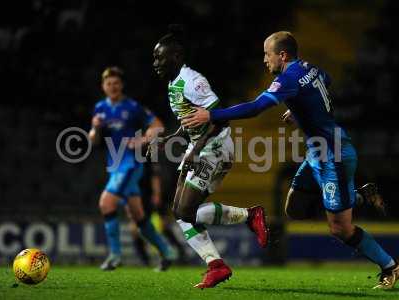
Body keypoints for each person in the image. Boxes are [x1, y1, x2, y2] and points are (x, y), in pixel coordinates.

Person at [181, 31, 398, 289]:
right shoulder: (309, 68)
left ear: (282, 55)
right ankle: (357, 196)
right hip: (317, 154)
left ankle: (390, 266)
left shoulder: (288, 79)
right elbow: (325, 82)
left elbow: (256, 107)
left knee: (340, 229)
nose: (264, 60)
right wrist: (301, 106)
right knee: (294, 209)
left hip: (334, 157)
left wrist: (211, 115)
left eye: (267, 54)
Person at [151, 25, 269, 289]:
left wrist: (194, 150)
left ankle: (248, 217)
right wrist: (172, 137)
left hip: (215, 146)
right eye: (154, 57)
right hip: (200, 147)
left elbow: (218, 119)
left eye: (160, 57)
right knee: (181, 214)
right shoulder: (173, 84)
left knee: (184, 210)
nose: (155, 63)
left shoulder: (193, 81)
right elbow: (191, 118)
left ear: (177, 56)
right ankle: (217, 264)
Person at [89, 66, 173, 271]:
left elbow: (158, 126)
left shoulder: (133, 107)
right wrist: (95, 128)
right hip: (115, 166)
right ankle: (166, 252)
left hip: (131, 164)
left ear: (122, 85)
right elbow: (94, 140)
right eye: (109, 84)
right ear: (103, 86)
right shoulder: (100, 108)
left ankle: (115, 255)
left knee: (106, 203)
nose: (113, 87)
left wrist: (143, 140)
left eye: (116, 83)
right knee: (138, 216)